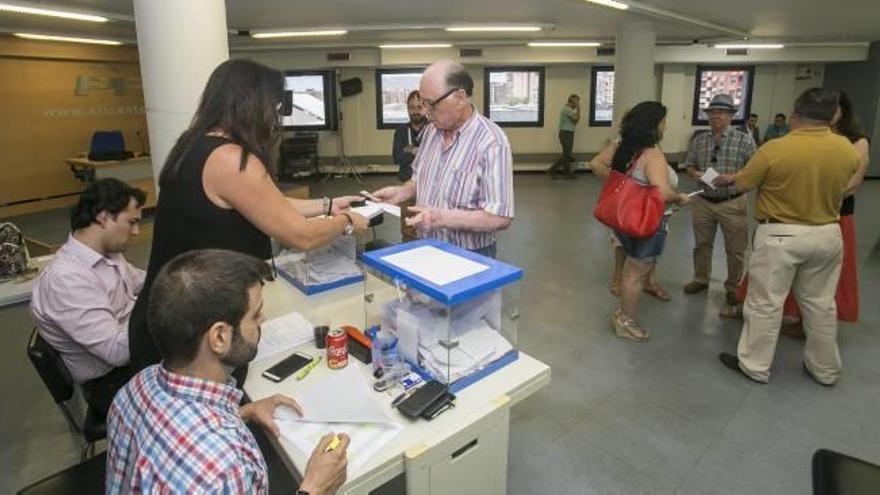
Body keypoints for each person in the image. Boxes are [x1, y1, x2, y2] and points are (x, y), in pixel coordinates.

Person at [128, 59, 368, 373]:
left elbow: (267, 203)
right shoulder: (232, 160)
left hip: (169, 313)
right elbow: (302, 236)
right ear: (254, 105)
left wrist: (328, 205)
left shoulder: (196, 145)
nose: (274, 118)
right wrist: (349, 222)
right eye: (274, 107)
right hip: (193, 333)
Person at [107, 249, 349, 493]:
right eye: (255, 315)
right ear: (219, 337)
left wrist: (242, 412)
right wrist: (315, 488)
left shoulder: (136, 387)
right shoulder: (225, 470)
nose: (262, 320)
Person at [716, 88, 859, 386]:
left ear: (795, 115)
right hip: (828, 234)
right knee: (821, 304)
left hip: (781, 234)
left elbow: (743, 184)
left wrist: (734, 178)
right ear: (832, 116)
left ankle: (754, 365)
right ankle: (825, 370)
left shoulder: (775, 148)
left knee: (766, 303)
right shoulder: (847, 148)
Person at [736, 91, 870, 337]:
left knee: (772, 298)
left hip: (811, 221)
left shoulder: (785, 146)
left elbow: (852, 183)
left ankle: (755, 363)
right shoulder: (842, 147)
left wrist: (810, 194)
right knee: (818, 300)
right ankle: (825, 367)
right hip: (823, 223)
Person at [370, 60, 514, 259]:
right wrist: (403, 191)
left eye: (431, 104)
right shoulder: (431, 132)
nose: (426, 113)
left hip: (470, 255)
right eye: (423, 103)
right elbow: (419, 179)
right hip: (426, 245)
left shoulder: (491, 142)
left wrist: (441, 218)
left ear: (460, 98)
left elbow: (500, 217)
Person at [31, 178, 146, 416]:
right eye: (132, 222)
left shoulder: (108, 254)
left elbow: (141, 281)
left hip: (130, 360)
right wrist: (160, 304)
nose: (136, 232)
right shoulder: (67, 280)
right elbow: (116, 352)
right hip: (111, 384)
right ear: (104, 218)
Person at [599, 101, 689, 341]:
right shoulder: (652, 154)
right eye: (663, 122)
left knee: (631, 269)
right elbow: (662, 191)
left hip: (625, 219)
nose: (666, 126)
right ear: (653, 125)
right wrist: (679, 198)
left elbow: (599, 164)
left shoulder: (625, 149)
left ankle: (623, 313)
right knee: (635, 274)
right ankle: (625, 321)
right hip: (648, 221)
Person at [683, 94, 756, 316]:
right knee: (702, 244)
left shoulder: (744, 140)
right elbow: (689, 165)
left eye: (722, 112)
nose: (716, 116)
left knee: (735, 249)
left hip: (732, 202)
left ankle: (733, 288)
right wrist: (696, 173)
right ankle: (701, 278)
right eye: (712, 112)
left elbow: (755, 170)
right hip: (703, 201)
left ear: (731, 116)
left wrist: (732, 177)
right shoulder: (699, 140)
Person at [590, 137, 671, 302]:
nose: (665, 127)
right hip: (632, 210)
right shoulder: (622, 144)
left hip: (656, 211)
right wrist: (624, 185)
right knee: (626, 248)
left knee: (651, 251)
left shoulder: (654, 146)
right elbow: (596, 164)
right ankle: (619, 280)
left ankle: (650, 280)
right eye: (663, 122)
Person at [392, 90, 427, 242]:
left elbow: (436, 158)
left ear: (426, 107)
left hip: (429, 188)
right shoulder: (400, 131)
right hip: (407, 185)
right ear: (407, 109)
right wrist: (417, 150)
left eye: (420, 107)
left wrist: (409, 149)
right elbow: (398, 158)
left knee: (429, 226)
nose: (416, 111)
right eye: (412, 107)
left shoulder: (435, 129)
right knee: (408, 229)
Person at [548, 94, 581, 179]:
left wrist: (577, 109)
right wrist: (578, 108)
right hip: (566, 134)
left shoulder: (568, 110)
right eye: (576, 102)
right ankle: (553, 169)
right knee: (567, 154)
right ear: (572, 102)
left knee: (567, 154)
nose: (577, 105)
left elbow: (575, 122)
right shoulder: (567, 110)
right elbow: (577, 119)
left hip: (567, 133)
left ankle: (566, 172)